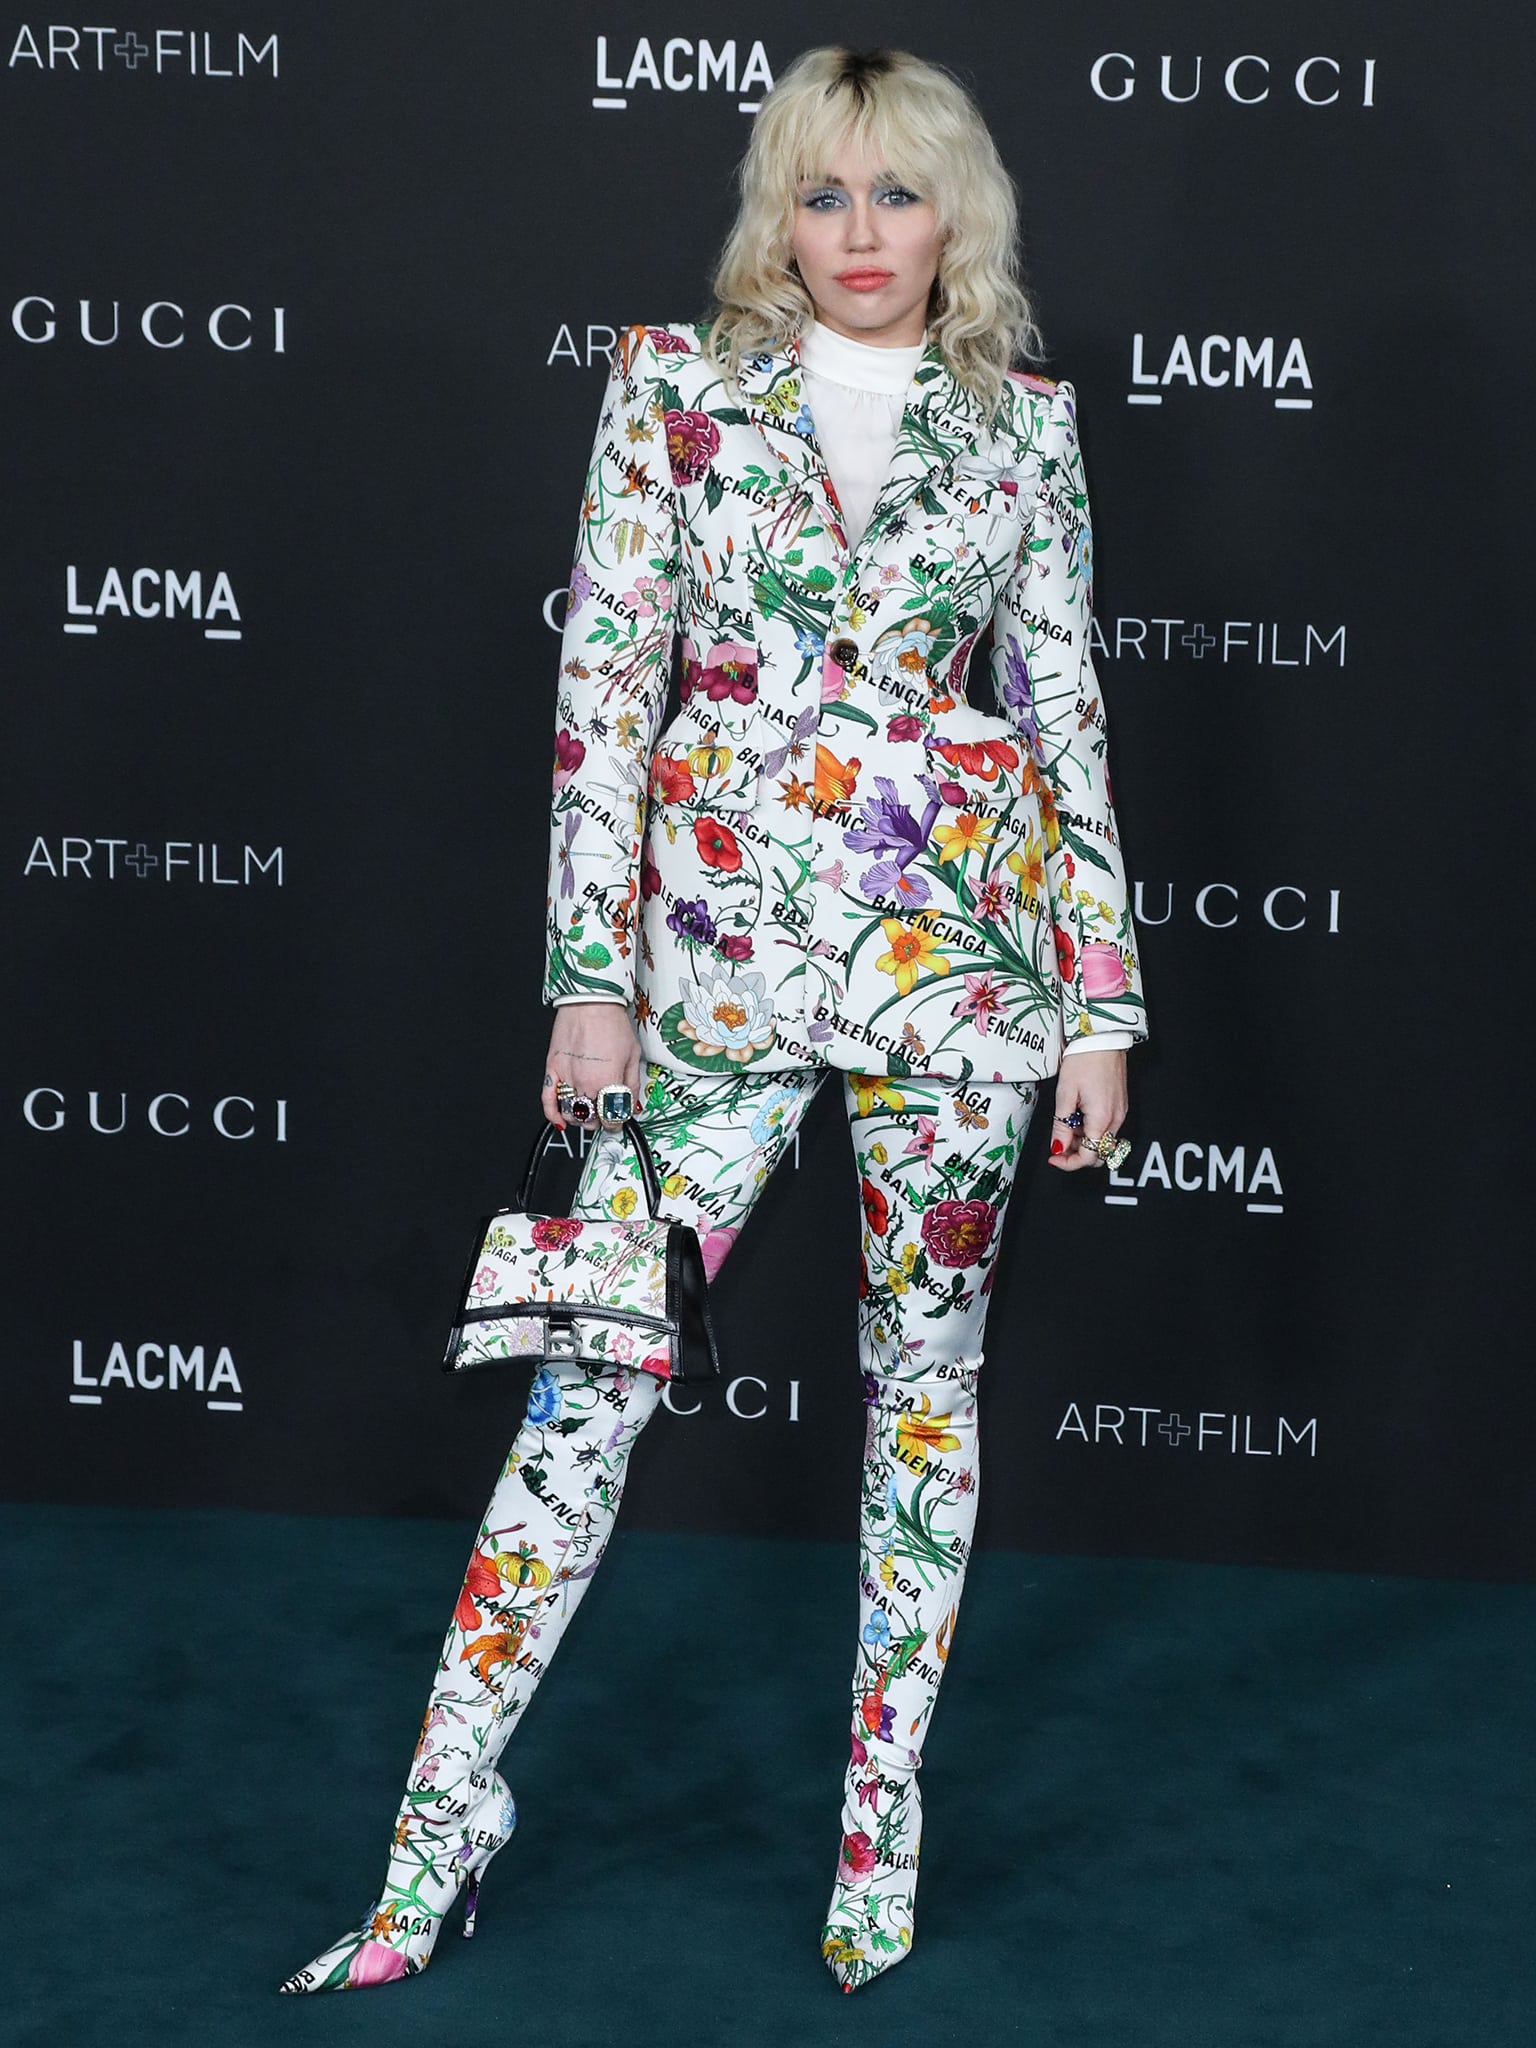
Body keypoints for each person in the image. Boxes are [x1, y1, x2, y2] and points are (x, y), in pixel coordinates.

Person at [281, 43, 1147, 2000]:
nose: (863, 232)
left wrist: (1100, 1002)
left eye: (899, 192)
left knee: (923, 1400)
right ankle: (435, 1836)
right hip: (711, 967)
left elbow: (1065, 714)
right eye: (824, 192)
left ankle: (879, 1830)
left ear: (959, 212)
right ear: (780, 212)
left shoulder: (1024, 428)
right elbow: (606, 682)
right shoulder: (672, 387)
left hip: (962, 974)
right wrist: (589, 978)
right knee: (586, 1395)